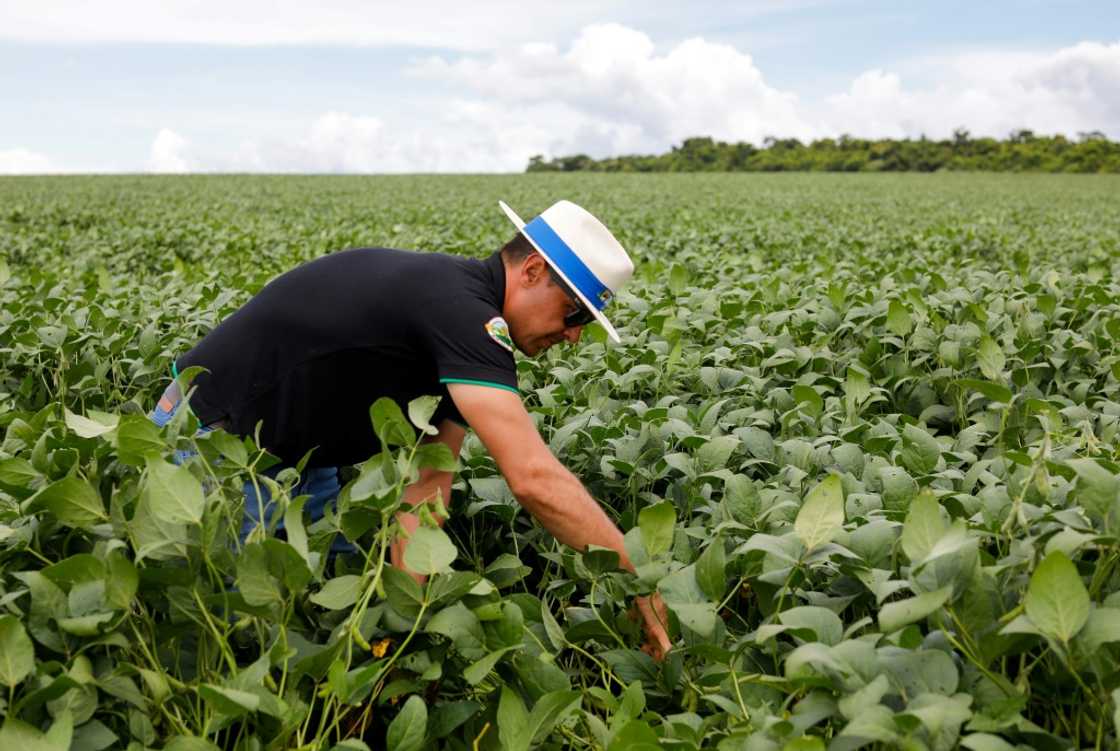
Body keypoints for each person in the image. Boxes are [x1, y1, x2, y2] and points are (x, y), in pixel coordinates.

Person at [151, 199, 672, 659]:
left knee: (325, 606)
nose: (574, 336)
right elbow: (533, 478)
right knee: (231, 638)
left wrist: (406, 626)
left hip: (299, 459)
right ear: (533, 270)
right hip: (211, 444)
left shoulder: (460, 317)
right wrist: (635, 579)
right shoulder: (463, 314)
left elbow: (427, 485)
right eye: (574, 312)